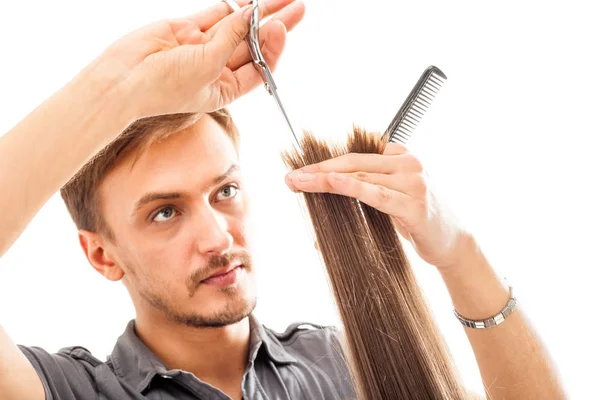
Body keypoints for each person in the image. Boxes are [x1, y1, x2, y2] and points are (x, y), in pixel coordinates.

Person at [0, 1, 567, 399]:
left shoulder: (344, 366)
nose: (219, 238)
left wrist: (456, 251)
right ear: (102, 255)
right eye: (165, 212)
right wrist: (118, 90)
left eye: (225, 191)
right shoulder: (68, 391)